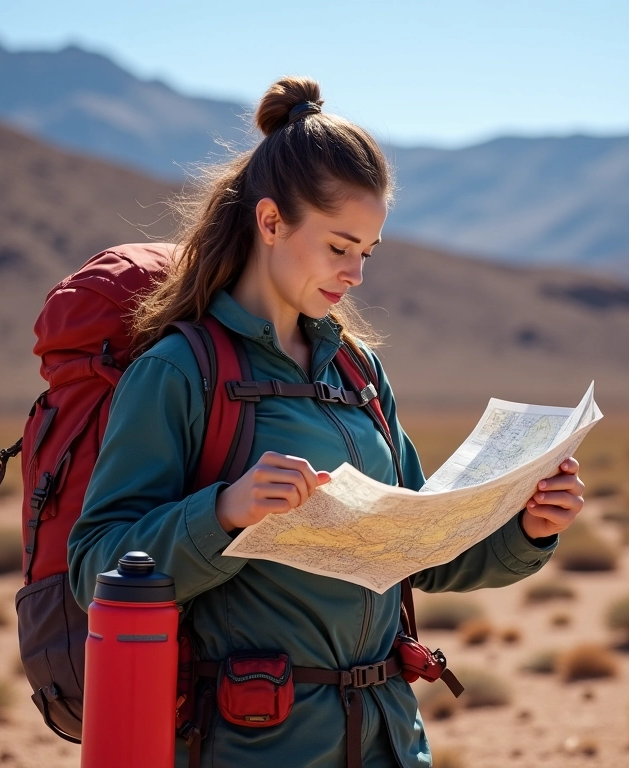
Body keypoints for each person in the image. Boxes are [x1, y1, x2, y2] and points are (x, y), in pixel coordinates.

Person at [68, 76, 585, 768]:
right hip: (254, 745)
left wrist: (528, 527)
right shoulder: (179, 372)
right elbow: (96, 565)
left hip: (388, 741)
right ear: (272, 222)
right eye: (340, 247)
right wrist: (223, 512)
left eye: (367, 252)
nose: (357, 274)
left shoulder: (359, 372)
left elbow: (419, 548)